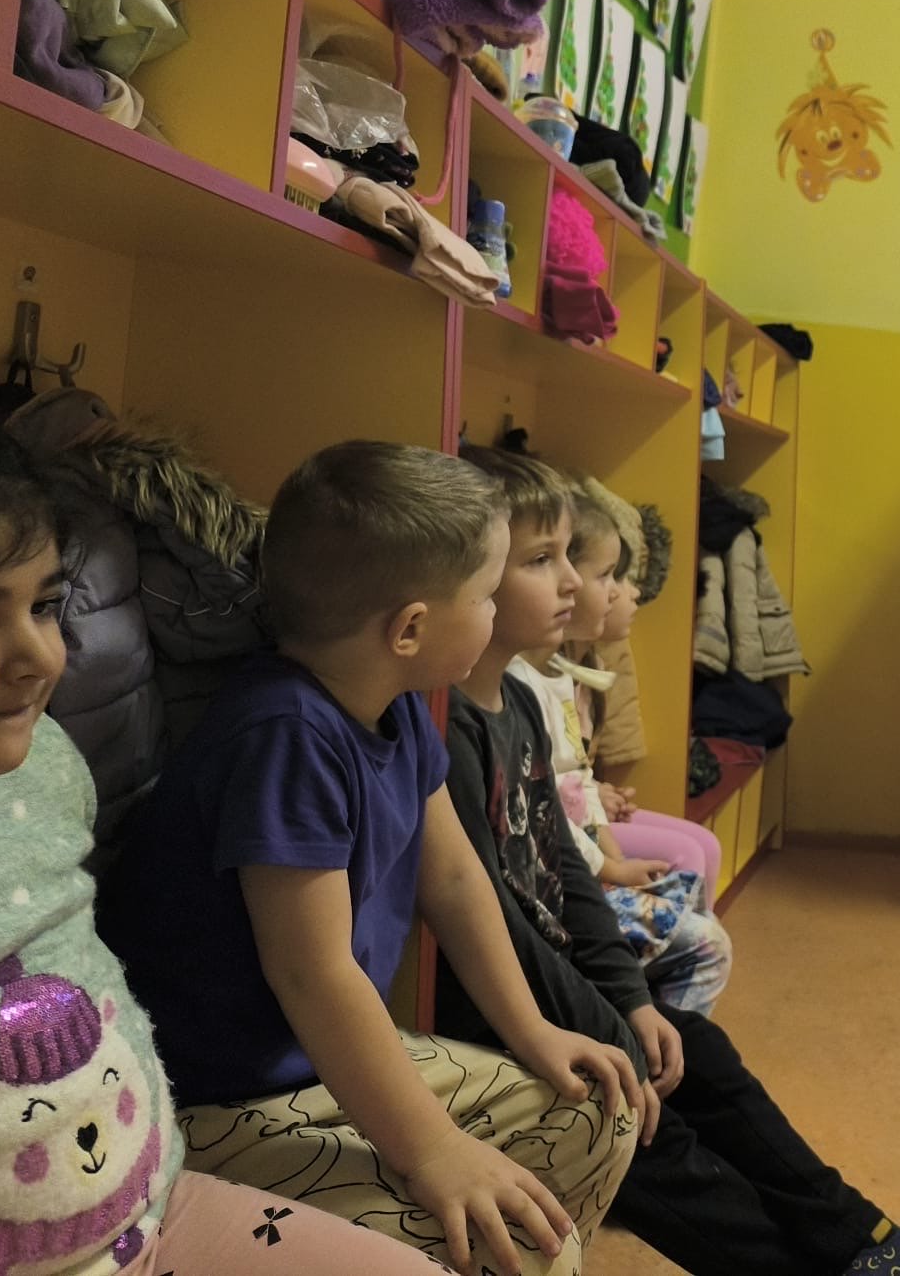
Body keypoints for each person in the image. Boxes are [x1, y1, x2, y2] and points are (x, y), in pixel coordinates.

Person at [443, 446, 900, 1276]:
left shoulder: (519, 703)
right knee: (648, 1130)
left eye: (571, 557)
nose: (570, 581)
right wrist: (613, 1032)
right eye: (541, 560)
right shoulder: (447, 733)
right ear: (477, 575)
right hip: (498, 1013)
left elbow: (567, 874)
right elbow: (494, 925)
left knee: (695, 1048)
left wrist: (633, 1003)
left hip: (559, 994)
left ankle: (864, 1241)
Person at [98, 442, 644, 1276]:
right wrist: (433, 1152)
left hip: (318, 1067)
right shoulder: (286, 737)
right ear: (411, 628)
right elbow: (314, 975)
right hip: (220, 1101)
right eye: (485, 595)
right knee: (528, 1252)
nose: (494, 612)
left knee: (599, 1108)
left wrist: (532, 1029)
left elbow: (454, 880)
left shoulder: (394, 705)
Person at [0, 417, 450, 1276]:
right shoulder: (283, 729)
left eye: (43, 605)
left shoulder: (44, 757)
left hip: (155, 1205)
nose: (41, 656)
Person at [503, 473, 731, 1016]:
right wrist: (610, 870)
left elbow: (575, 780)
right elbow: (545, 816)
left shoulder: (558, 674)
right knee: (704, 933)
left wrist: (611, 857)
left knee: (691, 871)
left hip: (577, 865)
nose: (618, 591)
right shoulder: (521, 685)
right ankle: (655, 1032)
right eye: (607, 574)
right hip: (558, 891)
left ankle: (651, 1016)